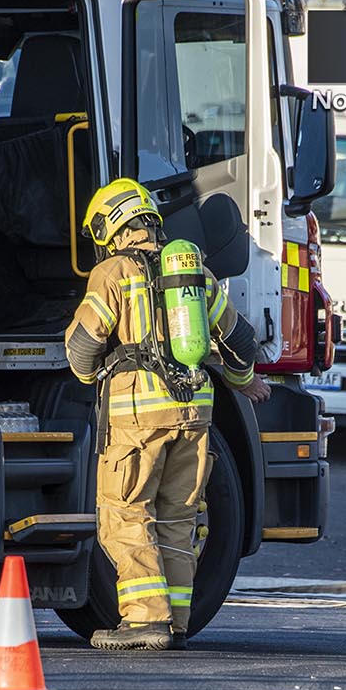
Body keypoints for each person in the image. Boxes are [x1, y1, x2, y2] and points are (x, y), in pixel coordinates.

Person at [65, 179, 269, 651]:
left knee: (125, 514)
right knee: (177, 517)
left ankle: (143, 621)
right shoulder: (194, 271)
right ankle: (177, 621)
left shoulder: (114, 272)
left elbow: (81, 351)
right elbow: (239, 341)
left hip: (139, 415)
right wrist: (244, 383)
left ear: (109, 226)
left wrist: (95, 372)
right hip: (196, 413)